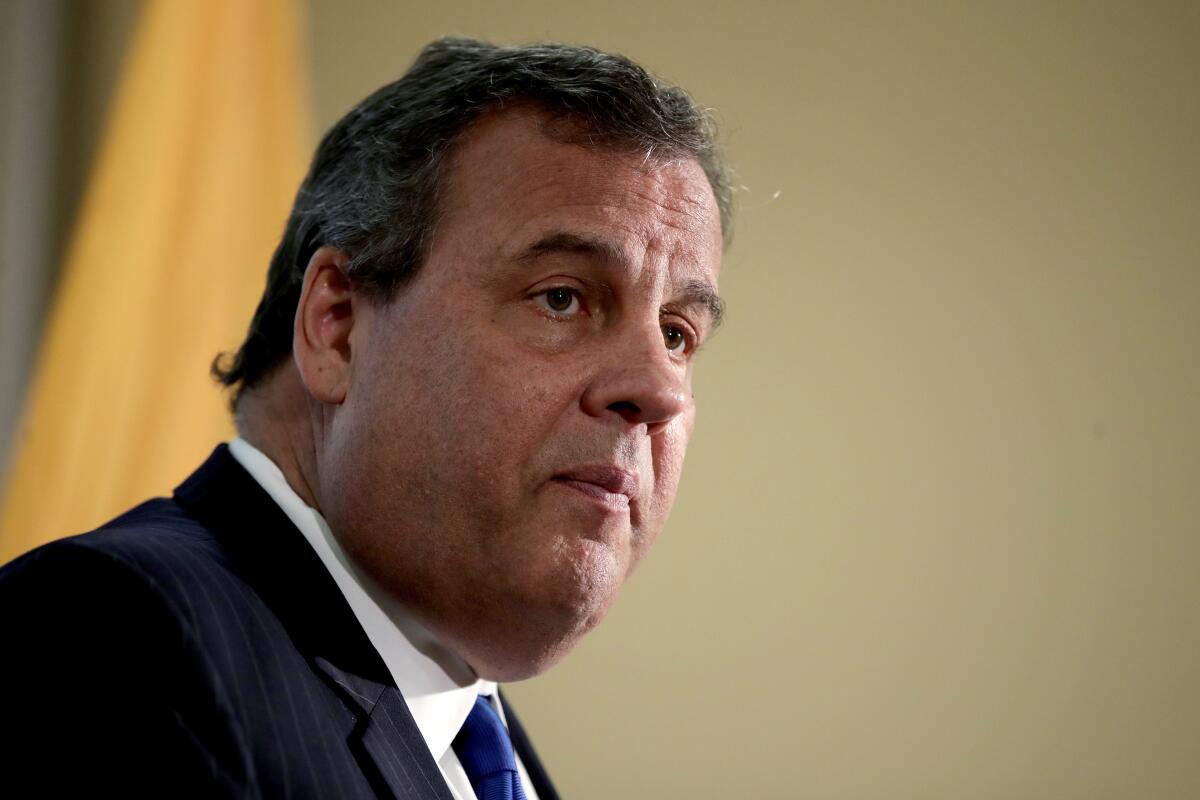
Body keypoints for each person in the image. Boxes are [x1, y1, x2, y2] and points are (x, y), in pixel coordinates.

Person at [0, 37, 730, 798]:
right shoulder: (115, 639)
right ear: (338, 325)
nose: (659, 390)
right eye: (562, 296)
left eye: (677, 334)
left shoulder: (479, 745)